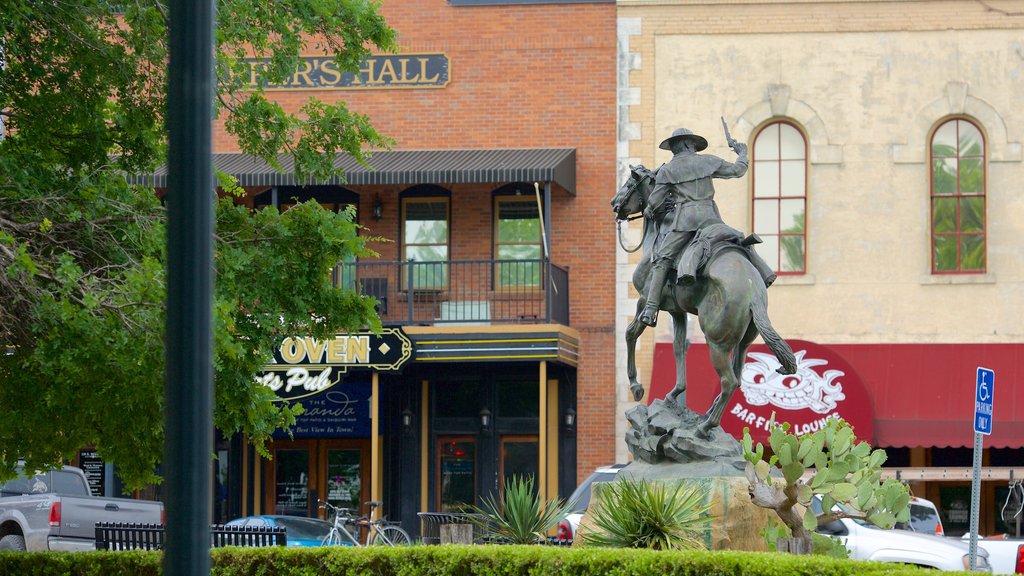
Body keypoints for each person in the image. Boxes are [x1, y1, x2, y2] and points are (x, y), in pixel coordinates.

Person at [638, 127, 776, 327]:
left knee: (662, 259)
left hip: (685, 222)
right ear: (691, 144)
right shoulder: (708, 161)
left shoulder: (667, 170)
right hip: (711, 218)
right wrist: (742, 153)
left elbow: (654, 201)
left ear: (676, 146)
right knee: (737, 240)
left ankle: (650, 309)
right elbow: (738, 170)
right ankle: (764, 272)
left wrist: (650, 210)